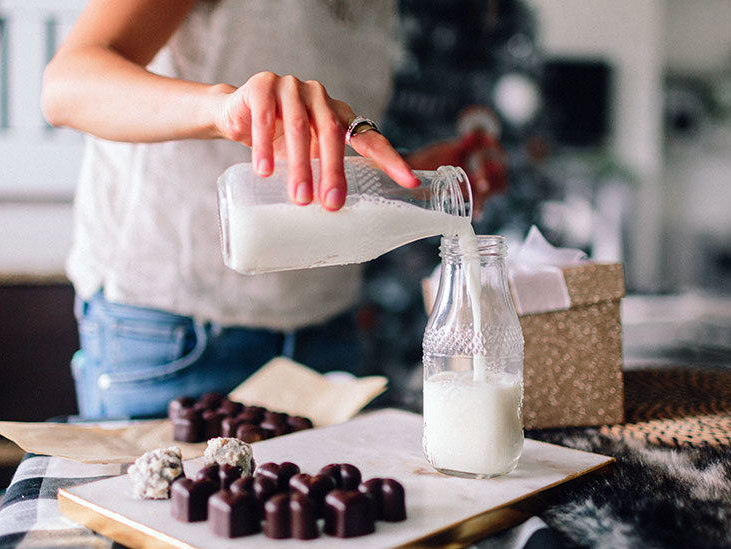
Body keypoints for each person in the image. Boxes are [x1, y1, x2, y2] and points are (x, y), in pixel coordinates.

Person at [42, 0, 493, 419]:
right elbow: (66, 85)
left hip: (326, 326)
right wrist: (223, 109)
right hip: (172, 335)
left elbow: (321, 153)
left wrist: (408, 176)